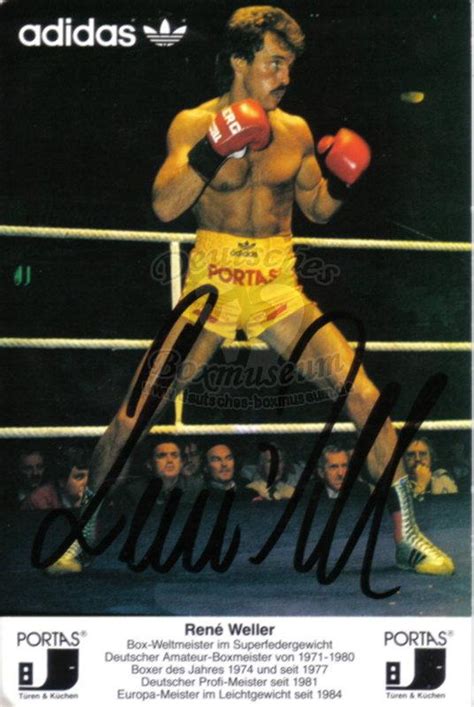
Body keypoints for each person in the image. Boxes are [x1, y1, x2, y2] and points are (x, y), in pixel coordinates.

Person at [50, 5, 453, 576]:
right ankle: (80, 533)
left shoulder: (295, 130)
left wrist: (340, 178)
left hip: (276, 283)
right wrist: (215, 147)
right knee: (137, 412)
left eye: (288, 64)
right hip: (212, 280)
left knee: (362, 394)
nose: (284, 76)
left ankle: (410, 536)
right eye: (273, 62)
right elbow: (165, 206)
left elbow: (317, 207)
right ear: (240, 61)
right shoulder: (192, 123)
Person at [22, 446, 92, 510]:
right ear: (62, 481)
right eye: (79, 477)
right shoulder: (39, 500)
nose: (86, 482)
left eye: (89, 476)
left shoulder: (89, 495)